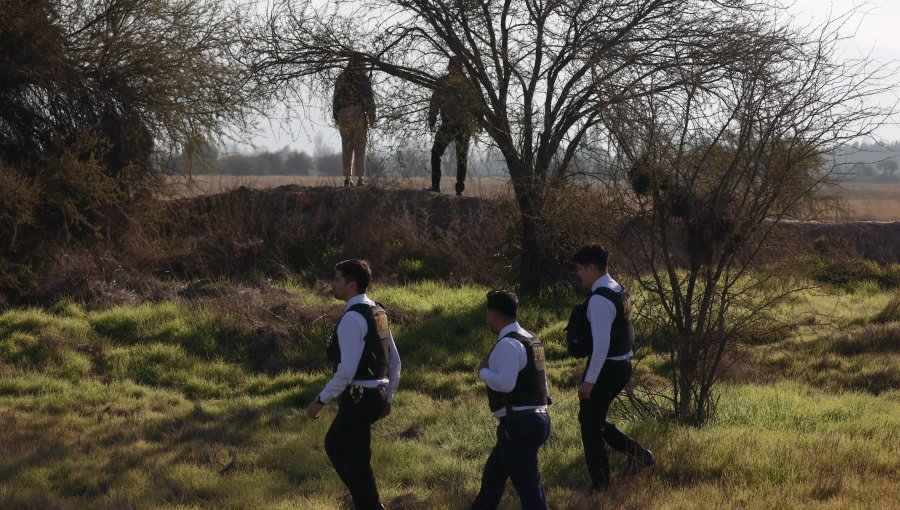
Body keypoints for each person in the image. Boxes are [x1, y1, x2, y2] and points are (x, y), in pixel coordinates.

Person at [306, 259, 401, 510]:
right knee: (335, 444)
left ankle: (369, 503)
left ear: (352, 284)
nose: (333, 284)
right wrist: (388, 396)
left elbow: (346, 371)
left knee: (356, 461)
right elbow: (394, 360)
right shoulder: (377, 312)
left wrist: (320, 400)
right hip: (374, 396)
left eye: (337, 279)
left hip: (358, 398)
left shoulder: (352, 318)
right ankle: (366, 499)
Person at [573, 244, 655, 491]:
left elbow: (600, 347)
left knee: (590, 425)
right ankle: (639, 455)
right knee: (591, 418)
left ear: (591, 268)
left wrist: (589, 381)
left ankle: (600, 484)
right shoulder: (617, 289)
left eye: (579, 269)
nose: (578, 274)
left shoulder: (599, 300)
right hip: (621, 366)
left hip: (606, 369)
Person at [472, 290, 551, 510]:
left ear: (494, 316)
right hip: (535, 419)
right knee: (493, 477)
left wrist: (483, 372)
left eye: (487, 315)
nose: (487, 319)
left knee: (528, 488)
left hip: (520, 425)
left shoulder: (507, 345)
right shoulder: (530, 339)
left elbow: (506, 384)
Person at [427, 55, 483, 196]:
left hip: (449, 125)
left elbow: (434, 103)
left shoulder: (444, 82)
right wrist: (480, 120)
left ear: (450, 67)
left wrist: (432, 121)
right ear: (461, 67)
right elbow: (477, 105)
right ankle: (459, 190)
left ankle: (435, 186)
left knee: (436, 153)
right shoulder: (468, 83)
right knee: (461, 157)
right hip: (463, 126)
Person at [333, 54, 376, 187]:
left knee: (346, 146)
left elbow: (335, 98)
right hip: (357, 114)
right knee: (359, 145)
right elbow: (368, 98)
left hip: (343, 114)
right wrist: (371, 115)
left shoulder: (341, 77)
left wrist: (336, 116)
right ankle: (360, 179)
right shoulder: (362, 78)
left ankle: (347, 178)